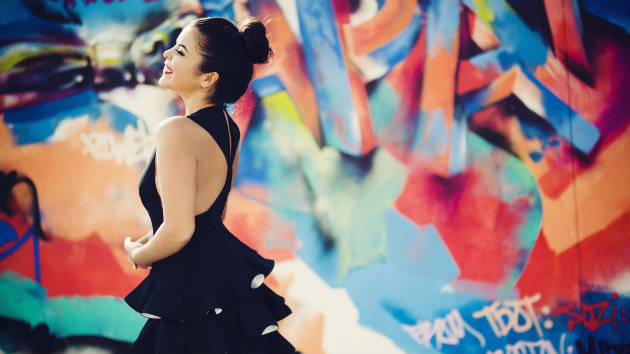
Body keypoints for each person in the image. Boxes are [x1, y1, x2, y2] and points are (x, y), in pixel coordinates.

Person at [122, 16, 295, 353]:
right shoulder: (229, 129)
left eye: (181, 51)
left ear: (208, 78)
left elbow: (179, 230)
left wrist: (137, 253)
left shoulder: (175, 131)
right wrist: (151, 237)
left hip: (189, 290)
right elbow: (208, 212)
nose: (167, 54)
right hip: (218, 280)